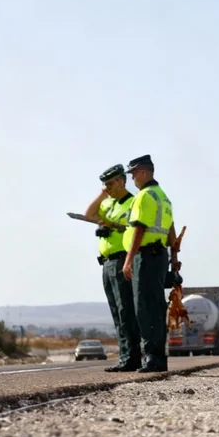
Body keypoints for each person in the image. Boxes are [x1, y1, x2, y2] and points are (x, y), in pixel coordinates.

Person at [121, 154, 178, 373]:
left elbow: (140, 228)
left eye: (134, 173)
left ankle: (153, 358)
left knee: (145, 309)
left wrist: (128, 261)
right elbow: (172, 230)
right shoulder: (163, 197)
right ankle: (157, 357)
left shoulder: (145, 196)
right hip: (159, 256)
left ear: (144, 172)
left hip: (145, 257)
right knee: (155, 307)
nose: (132, 178)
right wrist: (174, 258)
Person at [83, 163, 142, 372]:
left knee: (126, 311)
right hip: (107, 262)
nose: (107, 188)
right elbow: (89, 214)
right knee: (117, 313)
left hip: (122, 259)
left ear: (121, 181)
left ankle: (132, 357)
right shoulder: (109, 204)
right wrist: (102, 194)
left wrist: (114, 227)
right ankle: (126, 356)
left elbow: (135, 228)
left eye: (110, 184)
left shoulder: (133, 202)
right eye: (104, 185)